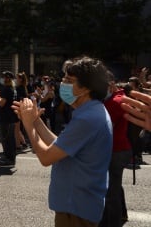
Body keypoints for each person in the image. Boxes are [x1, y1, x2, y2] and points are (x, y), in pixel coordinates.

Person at [12, 56, 112, 227]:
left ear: (86, 88)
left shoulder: (87, 118)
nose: (63, 83)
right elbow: (61, 146)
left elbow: (46, 157)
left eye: (69, 80)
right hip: (80, 204)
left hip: (76, 207)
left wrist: (28, 125)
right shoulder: (92, 111)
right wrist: (36, 120)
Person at [99, 71, 131, 227]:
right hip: (117, 149)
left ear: (111, 84)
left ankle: (112, 222)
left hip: (116, 150)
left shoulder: (115, 102)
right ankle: (121, 215)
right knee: (114, 187)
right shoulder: (116, 98)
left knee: (111, 191)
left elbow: (102, 125)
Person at [0, 71, 19, 167]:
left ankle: (9, 159)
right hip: (11, 117)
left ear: (7, 79)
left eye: (4, 77)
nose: (3, 79)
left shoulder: (6, 90)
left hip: (6, 118)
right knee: (10, 138)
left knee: (6, 139)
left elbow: (2, 103)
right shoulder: (13, 89)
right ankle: (11, 158)